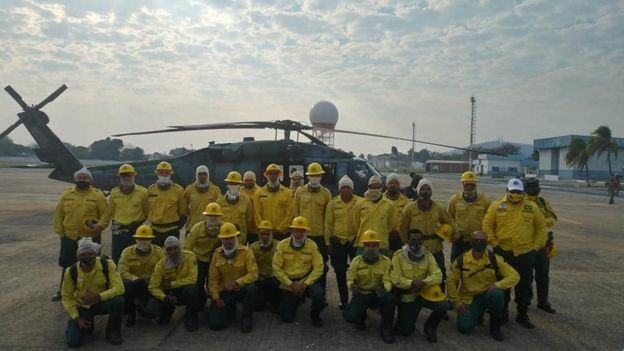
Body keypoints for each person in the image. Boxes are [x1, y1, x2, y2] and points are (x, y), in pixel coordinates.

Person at [483, 178, 547, 328]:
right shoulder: (497, 205)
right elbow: (487, 225)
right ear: (507, 191)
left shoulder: (531, 207)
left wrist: (536, 247)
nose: (515, 194)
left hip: (525, 253)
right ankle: (502, 313)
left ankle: (522, 314)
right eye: (512, 191)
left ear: (523, 192)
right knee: (503, 284)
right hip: (503, 252)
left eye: (518, 192)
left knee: (524, 285)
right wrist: (494, 243)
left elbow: (541, 228)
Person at [447, 230, 520, 341]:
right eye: (476, 240)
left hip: (488, 295)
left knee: (498, 295)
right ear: (471, 242)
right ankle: (478, 314)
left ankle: (495, 326)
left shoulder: (494, 259)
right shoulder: (461, 260)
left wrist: (497, 284)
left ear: (487, 242)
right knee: (464, 328)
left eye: (483, 240)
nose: (480, 242)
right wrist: (457, 303)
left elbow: (514, 275)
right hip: (469, 298)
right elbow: (451, 282)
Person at [52, 167, 108, 301]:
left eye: (85, 178)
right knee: (68, 265)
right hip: (70, 236)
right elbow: (59, 213)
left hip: (90, 237)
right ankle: (63, 291)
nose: (82, 180)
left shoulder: (97, 195)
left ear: (90, 180)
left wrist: (100, 226)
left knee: (92, 265)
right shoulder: (67, 195)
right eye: (80, 178)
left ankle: (95, 291)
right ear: (75, 180)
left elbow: (106, 213)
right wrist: (60, 232)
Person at [61, 238, 125, 347]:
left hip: (102, 303)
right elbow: (66, 298)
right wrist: (76, 317)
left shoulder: (107, 265)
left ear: (96, 254)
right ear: (78, 256)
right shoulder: (71, 271)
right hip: (83, 307)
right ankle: (81, 324)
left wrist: (99, 296)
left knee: (119, 301)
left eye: (90, 253)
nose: (87, 258)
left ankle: (112, 331)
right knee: (73, 343)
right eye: (83, 255)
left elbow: (120, 288)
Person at [391, 229, 451, 342]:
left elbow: (438, 275)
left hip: (426, 293)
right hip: (409, 296)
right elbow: (395, 279)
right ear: (407, 241)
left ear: (422, 242)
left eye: (419, 240)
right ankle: (406, 322)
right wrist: (412, 283)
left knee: (444, 306)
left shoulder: (428, 255)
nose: (416, 243)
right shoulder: (398, 256)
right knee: (405, 332)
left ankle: (430, 327)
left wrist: (423, 283)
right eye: (413, 240)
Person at [400, 178, 456, 290]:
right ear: (418, 191)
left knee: (440, 273)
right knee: (416, 274)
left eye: (428, 189)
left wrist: (455, 234)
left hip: (435, 247)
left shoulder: (438, 208)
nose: (425, 191)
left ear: (431, 192)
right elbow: (403, 228)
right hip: (415, 247)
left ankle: (439, 299)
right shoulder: (409, 209)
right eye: (423, 189)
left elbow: (449, 221)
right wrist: (406, 244)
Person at [343, 230, 396, 344]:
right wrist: (352, 286)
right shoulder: (356, 262)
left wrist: (384, 288)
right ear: (363, 247)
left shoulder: (386, 261)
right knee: (350, 317)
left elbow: (388, 280)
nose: (371, 248)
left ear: (378, 246)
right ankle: (360, 317)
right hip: (363, 293)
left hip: (378, 293)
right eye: (368, 245)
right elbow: (350, 279)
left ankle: (386, 329)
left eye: (374, 245)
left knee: (391, 298)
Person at [272, 216, 326, 327]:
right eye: (296, 230)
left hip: (306, 281)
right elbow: (276, 267)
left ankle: (315, 314)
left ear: (306, 232)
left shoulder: (312, 245)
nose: (299, 234)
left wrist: (305, 284)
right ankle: (294, 300)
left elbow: (319, 266)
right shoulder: (282, 245)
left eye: (302, 231)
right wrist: (291, 284)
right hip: (288, 283)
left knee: (318, 294)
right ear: (292, 231)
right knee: (286, 318)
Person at [207, 222, 259, 332]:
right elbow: (213, 279)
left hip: (241, 289)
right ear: (221, 239)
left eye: (231, 238)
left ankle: (247, 318)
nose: (228, 241)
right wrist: (216, 298)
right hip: (224, 291)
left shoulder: (246, 252)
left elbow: (254, 274)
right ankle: (229, 310)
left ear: (236, 237)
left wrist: (236, 283)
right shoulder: (217, 254)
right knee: (215, 324)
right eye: (225, 239)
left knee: (251, 289)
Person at [147, 236, 200, 332]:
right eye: (169, 249)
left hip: (183, 291)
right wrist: (164, 297)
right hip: (168, 294)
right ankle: (167, 310)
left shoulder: (189, 256)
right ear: (165, 251)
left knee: (192, 289)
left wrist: (171, 284)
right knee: (152, 312)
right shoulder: (160, 265)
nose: (173, 252)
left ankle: (191, 318)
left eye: (176, 248)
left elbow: (193, 279)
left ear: (180, 247)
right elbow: (152, 287)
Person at [117, 224, 164, 327]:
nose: (143, 241)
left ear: (151, 239)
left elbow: (163, 270)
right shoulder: (127, 252)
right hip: (134, 285)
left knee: (152, 312)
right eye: (140, 238)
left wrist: (153, 281)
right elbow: (121, 271)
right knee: (125, 284)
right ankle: (130, 311)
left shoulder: (159, 252)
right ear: (135, 239)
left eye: (146, 239)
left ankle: (144, 307)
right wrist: (136, 279)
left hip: (152, 285)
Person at [292, 163, 332, 287]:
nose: (315, 178)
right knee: (301, 263)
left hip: (319, 236)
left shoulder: (326, 193)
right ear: (308, 177)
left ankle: (320, 292)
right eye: (312, 175)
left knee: (321, 265)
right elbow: (296, 213)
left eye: (317, 175)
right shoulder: (300, 191)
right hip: (303, 235)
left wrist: (327, 239)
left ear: (321, 177)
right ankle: (304, 290)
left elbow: (328, 218)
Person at [325, 175, 361, 309]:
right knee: (340, 271)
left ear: (352, 188)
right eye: (343, 187)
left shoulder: (360, 202)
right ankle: (343, 298)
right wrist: (328, 242)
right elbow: (328, 224)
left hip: (355, 241)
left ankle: (357, 298)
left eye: (348, 187)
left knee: (358, 271)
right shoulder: (333, 203)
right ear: (340, 189)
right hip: (338, 241)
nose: (346, 190)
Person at [524, 178, 558, 313]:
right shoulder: (520, 200)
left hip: (542, 244)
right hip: (525, 243)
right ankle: (525, 301)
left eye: (535, 186)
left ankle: (543, 301)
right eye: (530, 186)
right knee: (526, 275)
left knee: (543, 274)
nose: (533, 189)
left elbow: (553, 217)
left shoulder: (542, 202)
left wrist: (544, 222)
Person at [183, 202, 223, 309]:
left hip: (216, 261)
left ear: (220, 217)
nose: (213, 218)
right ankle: (200, 302)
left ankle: (215, 300)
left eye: (216, 216)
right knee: (198, 284)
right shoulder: (197, 228)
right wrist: (190, 263)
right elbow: (187, 247)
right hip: (199, 260)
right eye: (210, 216)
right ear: (205, 216)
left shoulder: (224, 228)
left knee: (215, 283)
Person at [108, 163, 148, 263]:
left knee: (136, 258)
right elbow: (112, 212)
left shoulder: (143, 192)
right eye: (123, 175)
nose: (126, 178)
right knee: (117, 258)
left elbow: (147, 212)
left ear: (134, 176)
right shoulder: (114, 192)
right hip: (119, 231)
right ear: (120, 177)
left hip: (135, 230)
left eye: (129, 175)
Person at [447, 171, 491, 262]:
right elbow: (449, 219)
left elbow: (489, 221)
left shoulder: (484, 201)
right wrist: (452, 233)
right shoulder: (454, 200)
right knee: (456, 265)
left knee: (477, 266)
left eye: (472, 185)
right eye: (467, 185)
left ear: (476, 185)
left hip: (477, 241)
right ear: (462, 184)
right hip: (460, 240)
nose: (469, 188)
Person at [352, 175, 397, 257]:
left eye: (377, 186)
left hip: (382, 244)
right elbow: (356, 223)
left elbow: (392, 224)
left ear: (381, 187)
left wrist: (383, 231)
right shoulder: (360, 203)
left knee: (382, 268)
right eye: (373, 186)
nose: (375, 189)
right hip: (363, 243)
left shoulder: (389, 204)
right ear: (368, 187)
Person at [147, 162, 188, 247]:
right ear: (157, 174)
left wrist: (179, 225)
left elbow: (183, 211)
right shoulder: (151, 190)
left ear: (170, 174)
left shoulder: (179, 190)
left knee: (173, 256)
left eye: (166, 173)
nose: (164, 175)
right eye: (161, 173)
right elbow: (146, 209)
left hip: (171, 229)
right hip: (155, 230)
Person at [253, 164, 293, 240]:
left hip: (282, 234)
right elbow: (257, 214)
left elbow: (290, 214)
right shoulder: (258, 194)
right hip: (265, 234)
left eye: (276, 173)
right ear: (266, 175)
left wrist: (280, 230)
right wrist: (264, 229)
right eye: (270, 173)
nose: (273, 176)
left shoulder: (287, 193)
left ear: (279, 175)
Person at [249, 220, 281, 311]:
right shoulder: (252, 248)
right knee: (258, 308)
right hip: (260, 280)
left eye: (267, 234)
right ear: (258, 234)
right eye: (262, 234)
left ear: (272, 234)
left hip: (275, 280)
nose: (265, 237)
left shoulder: (280, 246)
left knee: (275, 309)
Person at [216, 171, 253, 244]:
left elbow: (248, 220)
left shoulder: (246, 201)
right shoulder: (219, 201)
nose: (233, 186)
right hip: (224, 238)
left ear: (240, 185)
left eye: (236, 184)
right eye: (231, 183)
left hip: (240, 239)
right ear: (227, 185)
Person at [184, 165, 221, 231]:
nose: (202, 176)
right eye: (200, 174)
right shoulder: (189, 189)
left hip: (209, 227)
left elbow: (220, 208)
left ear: (208, 175)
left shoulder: (215, 190)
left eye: (205, 174)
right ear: (196, 175)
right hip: (193, 226)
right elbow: (183, 207)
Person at [384, 173, 410, 252]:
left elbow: (407, 219)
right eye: (391, 183)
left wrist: (397, 231)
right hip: (384, 237)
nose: (393, 185)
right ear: (387, 185)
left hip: (400, 238)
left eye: (395, 183)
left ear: (398, 185)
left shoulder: (405, 200)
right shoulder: (381, 199)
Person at [240, 170, 260, 244]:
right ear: (243, 180)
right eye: (246, 180)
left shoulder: (260, 192)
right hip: (242, 227)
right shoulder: (239, 191)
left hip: (255, 228)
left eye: (251, 180)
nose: (248, 182)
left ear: (254, 180)